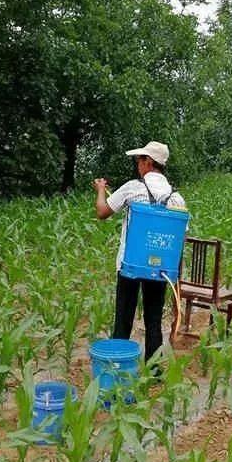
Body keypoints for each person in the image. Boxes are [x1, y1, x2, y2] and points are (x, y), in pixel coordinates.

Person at [93, 141, 186, 363]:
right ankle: (154, 372)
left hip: (130, 266)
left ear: (149, 163)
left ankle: (118, 366)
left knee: (123, 320)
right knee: (153, 321)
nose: (138, 165)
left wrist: (99, 190)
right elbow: (177, 240)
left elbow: (102, 212)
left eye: (140, 161)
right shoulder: (177, 198)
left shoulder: (133, 188)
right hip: (160, 270)